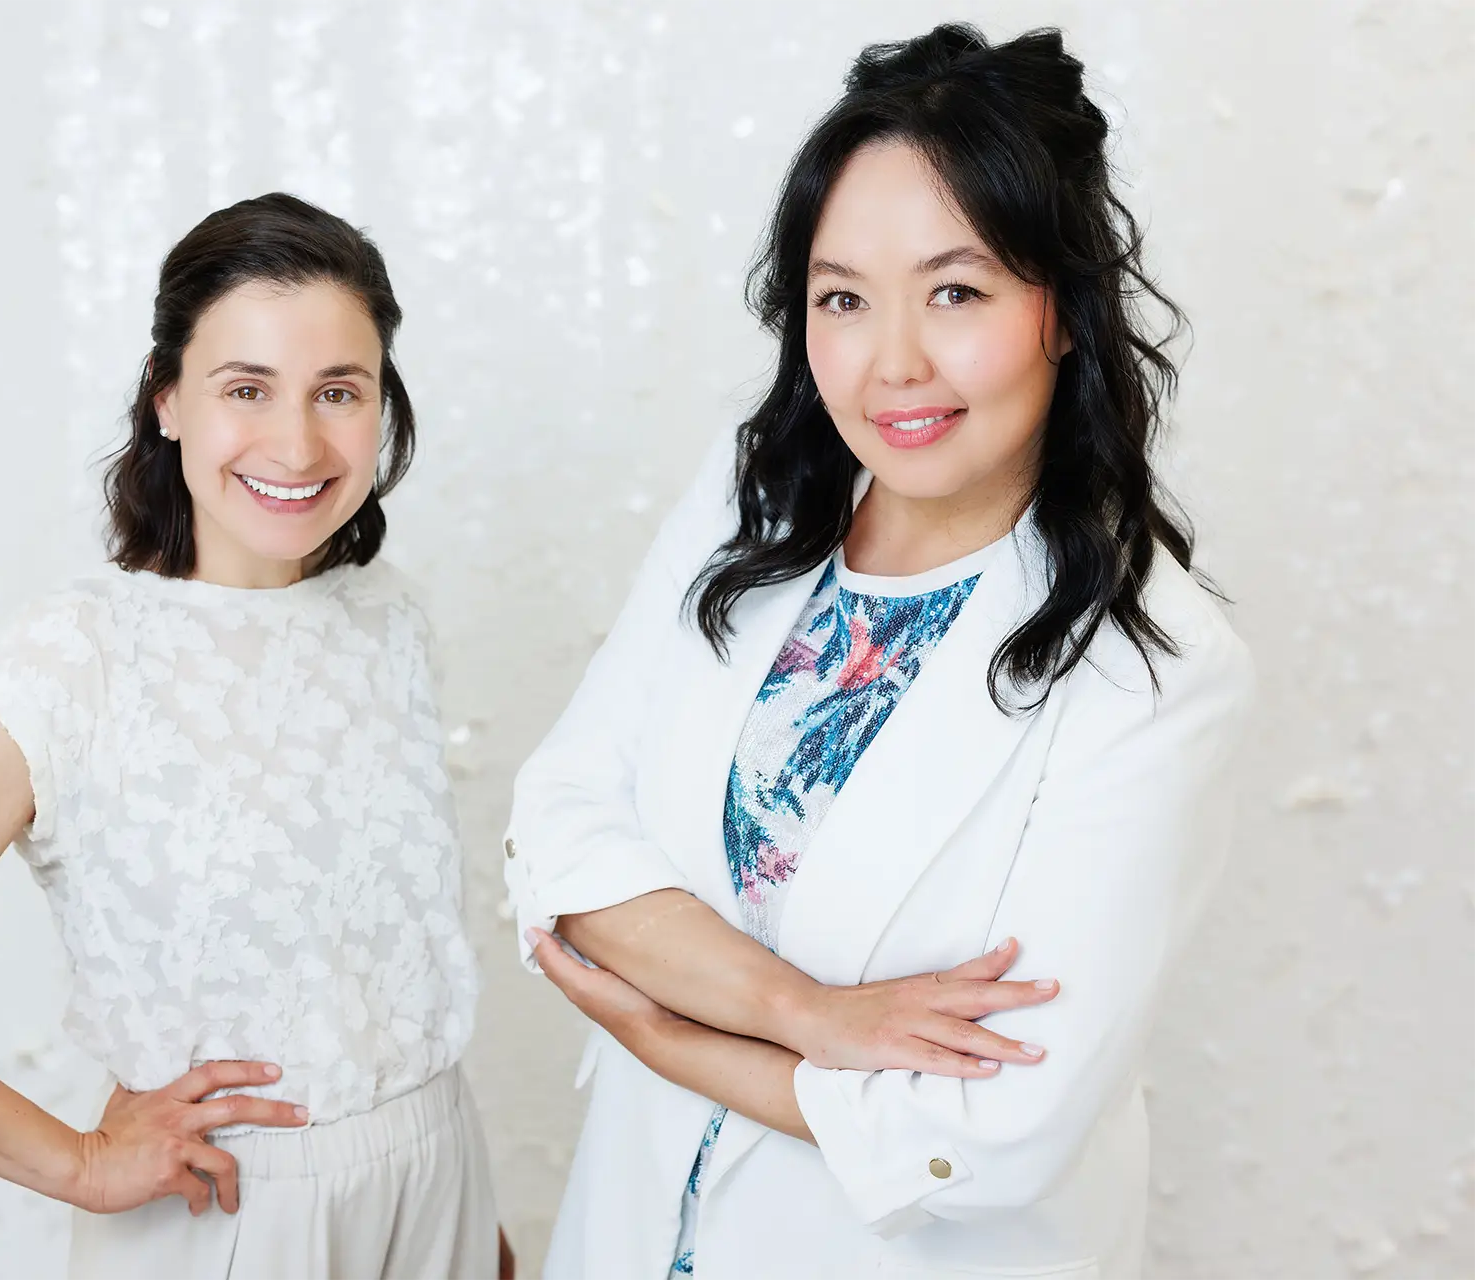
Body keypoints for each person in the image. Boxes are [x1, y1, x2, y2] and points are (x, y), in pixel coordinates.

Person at [504, 25, 1254, 1280]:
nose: (892, 360)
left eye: (955, 291)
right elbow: (560, 824)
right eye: (843, 297)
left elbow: (993, 1133)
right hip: (633, 1228)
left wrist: (662, 1022)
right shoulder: (749, 507)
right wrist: (813, 1019)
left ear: (1061, 312)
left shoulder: (1159, 669)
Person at [0, 193, 510, 1280]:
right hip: (232, 1210)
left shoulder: (388, 614)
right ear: (168, 399)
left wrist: (463, 1218)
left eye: (338, 391)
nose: (297, 441)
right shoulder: (73, 659)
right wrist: (77, 1161)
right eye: (245, 387)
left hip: (439, 1172)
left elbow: (378, 965)